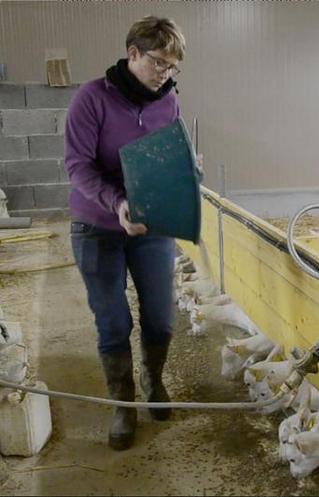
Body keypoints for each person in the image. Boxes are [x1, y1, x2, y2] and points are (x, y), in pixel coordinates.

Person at [64, 16, 186, 451]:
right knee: (113, 319)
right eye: (158, 63)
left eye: (173, 68)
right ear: (133, 53)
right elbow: (77, 165)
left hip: (149, 224)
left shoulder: (167, 101)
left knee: (160, 316)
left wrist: (187, 172)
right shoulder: (91, 98)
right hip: (96, 225)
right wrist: (116, 203)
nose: (165, 74)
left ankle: (153, 380)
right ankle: (123, 404)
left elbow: (166, 157)